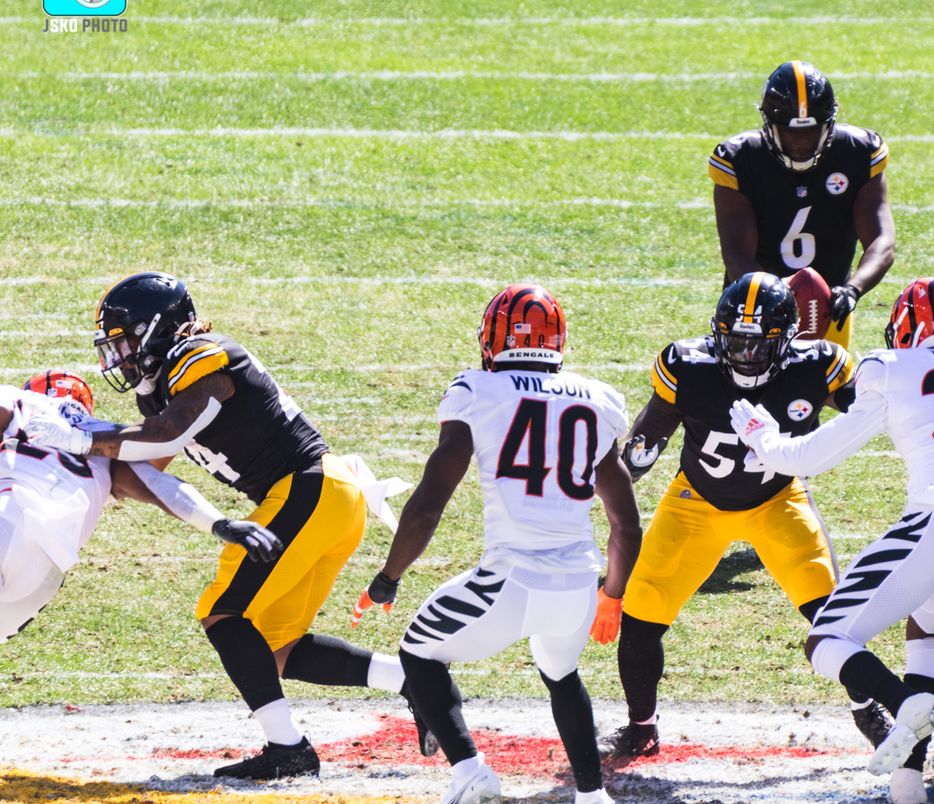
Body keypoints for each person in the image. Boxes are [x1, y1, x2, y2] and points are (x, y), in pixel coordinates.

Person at [23, 272, 431, 780]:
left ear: (156, 329)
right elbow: (137, 474)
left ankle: (290, 750)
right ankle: (415, 680)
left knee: (222, 612)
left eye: (126, 340)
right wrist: (64, 466)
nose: (120, 355)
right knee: (272, 645)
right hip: (321, 499)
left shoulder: (203, 354)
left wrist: (84, 440)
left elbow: (165, 433)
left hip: (308, 489)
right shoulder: (157, 392)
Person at [728, 276, 934, 803]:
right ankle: (918, 783)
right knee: (925, 631)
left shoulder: (892, 369)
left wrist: (762, 438)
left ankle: (900, 701)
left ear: (908, 326)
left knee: (826, 640)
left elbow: (813, 457)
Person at [353, 284, 642, 804]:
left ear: (491, 338)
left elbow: (426, 506)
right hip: (576, 583)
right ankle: (593, 794)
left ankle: (470, 770)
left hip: (509, 581)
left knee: (418, 653)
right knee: (561, 672)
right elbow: (626, 524)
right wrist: (613, 594)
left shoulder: (477, 391)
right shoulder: (597, 400)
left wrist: (387, 578)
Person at [599, 272, 885, 758]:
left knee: (831, 614)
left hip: (778, 500)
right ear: (717, 332)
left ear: (788, 339)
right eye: (736, 341)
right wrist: (618, 475)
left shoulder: (818, 364)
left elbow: (871, 412)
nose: (745, 354)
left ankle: (866, 705)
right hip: (696, 502)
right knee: (642, 613)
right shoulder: (688, 364)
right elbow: (651, 437)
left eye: (759, 344)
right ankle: (641, 726)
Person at [2, 372, 280, 642]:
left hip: (13, 515)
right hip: (45, 570)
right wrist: (219, 523)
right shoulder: (108, 440)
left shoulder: (25, 402)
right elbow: (158, 485)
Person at [710, 61, 896, 346]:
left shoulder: (857, 153)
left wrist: (852, 289)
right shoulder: (740, 159)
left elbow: (882, 241)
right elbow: (736, 254)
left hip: (827, 306)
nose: (800, 142)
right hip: (753, 307)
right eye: (790, 132)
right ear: (770, 126)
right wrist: (775, 296)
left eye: (809, 131)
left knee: (827, 386)